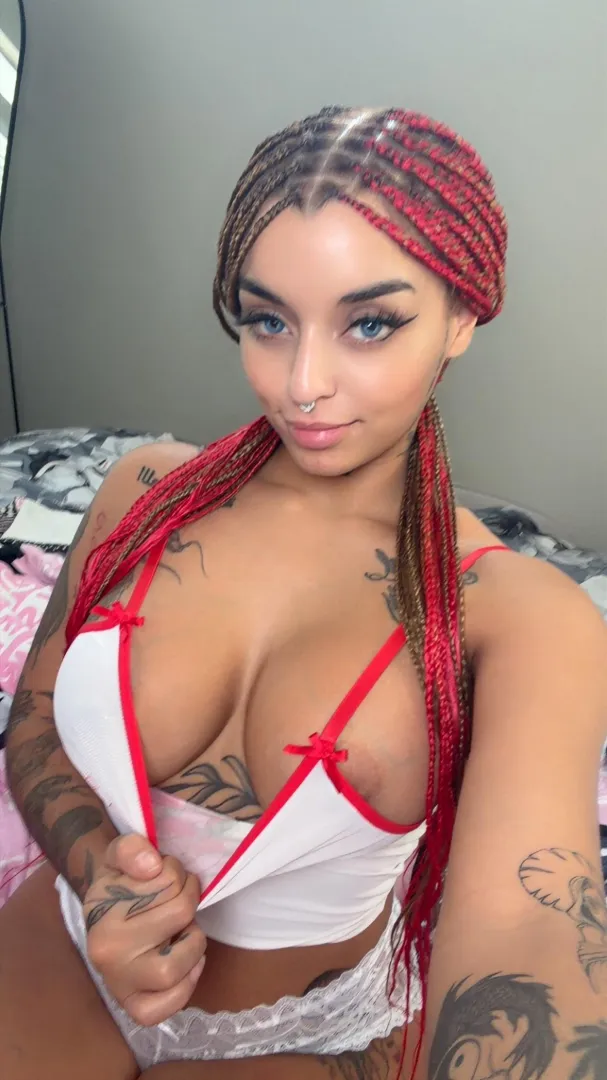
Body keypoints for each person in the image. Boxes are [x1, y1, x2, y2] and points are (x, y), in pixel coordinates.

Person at [1, 106, 606, 1080]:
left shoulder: (519, 617)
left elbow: (527, 935)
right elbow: (34, 725)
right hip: (69, 949)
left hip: (304, 1033)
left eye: (370, 324)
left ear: (461, 318)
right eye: (267, 321)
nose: (303, 383)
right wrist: (94, 870)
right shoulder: (140, 493)